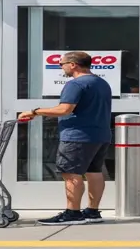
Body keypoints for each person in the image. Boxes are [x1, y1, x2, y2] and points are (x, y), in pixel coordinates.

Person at [19, 51, 113, 225]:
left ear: (73, 64)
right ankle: (92, 212)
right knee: (94, 172)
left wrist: (35, 112)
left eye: (61, 64)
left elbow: (65, 109)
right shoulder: (101, 83)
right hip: (100, 134)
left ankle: (73, 213)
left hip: (77, 136)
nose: (60, 67)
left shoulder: (75, 84)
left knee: (71, 174)